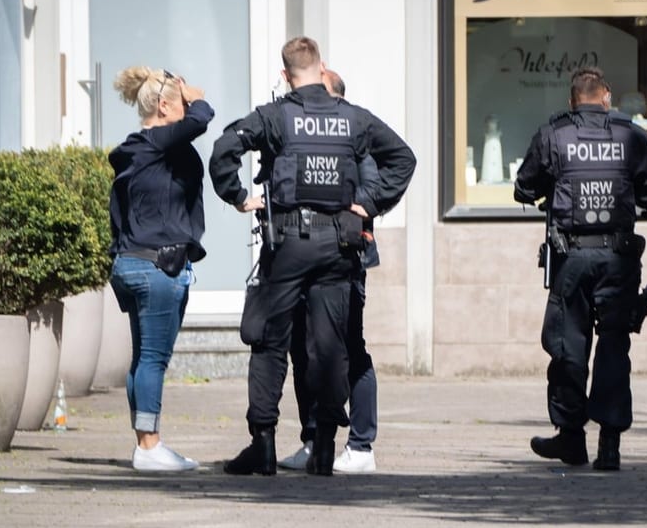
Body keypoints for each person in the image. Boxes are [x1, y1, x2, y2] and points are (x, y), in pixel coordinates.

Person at [209, 36, 416, 476]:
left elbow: (224, 148)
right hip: (337, 247)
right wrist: (372, 202)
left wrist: (240, 197)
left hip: (286, 244)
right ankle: (324, 448)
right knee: (329, 347)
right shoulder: (353, 119)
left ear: (285, 75)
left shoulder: (275, 116)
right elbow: (403, 157)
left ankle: (263, 445)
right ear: (322, 69)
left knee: (270, 344)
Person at [514, 66, 647, 471]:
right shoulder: (631, 136)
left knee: (569, 348)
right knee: (614, 345)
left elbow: (523, 188)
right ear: (607, 97)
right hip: (618, 259)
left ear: (571, 100)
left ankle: (571, 438)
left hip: (572, 260)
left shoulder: (554, 135)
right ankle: (610, 445)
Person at [108, 66, 214, 472]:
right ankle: (149, 447)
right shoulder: (160, 143)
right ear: (166, 105)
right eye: (182, 104)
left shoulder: (134, 149)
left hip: (130, 262)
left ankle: (146, 442)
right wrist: (197, 97)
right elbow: (202, 119)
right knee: (153, 359)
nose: (189, 109)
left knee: (141, 359)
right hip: (159, 266)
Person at [279, 69, 381, 474]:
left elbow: (374, 186)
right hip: (304, 253)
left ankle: (360, 445)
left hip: (345, 259)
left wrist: (363, 207)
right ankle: (312, 436)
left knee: (349, 348)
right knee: (305, 350)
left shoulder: (355, 136)